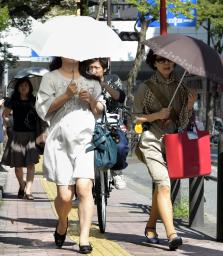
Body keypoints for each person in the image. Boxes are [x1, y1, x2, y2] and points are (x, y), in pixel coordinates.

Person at [35, 57, 104, 254]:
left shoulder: (91, 81)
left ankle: (84, 238)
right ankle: (62, 221)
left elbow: (100, 110)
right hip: (59, 142)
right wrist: (66, 95)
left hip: (85, 142)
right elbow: (43, 110)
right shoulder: (50, 78)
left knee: (84, 189)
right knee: (65, 196)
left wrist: (91, 100)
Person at [134, 50, 197, 250]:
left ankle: (151, 226)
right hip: (150, 141)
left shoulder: (182, 88)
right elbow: (135, 119)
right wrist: (157, 115)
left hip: (172, 144)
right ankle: (172, 234)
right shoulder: (145, 87)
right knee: (163, 184)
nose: (166, 63)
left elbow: (184, 123)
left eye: (170, 59)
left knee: (162, 186)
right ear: (154, 63)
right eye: (161, 60)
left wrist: (189, 105)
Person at [86, 58, 128, 189]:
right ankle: (79, 189)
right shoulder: (84, 81)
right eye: (90, 68)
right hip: (89, 123)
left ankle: (117, 171)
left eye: (96, 68)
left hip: (112, 123)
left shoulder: (113, 79)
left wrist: (104, 85)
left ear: (104, 69)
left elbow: (121, 97)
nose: (93, 70)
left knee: (120, 146)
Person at [1, 78, 40, 200]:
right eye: (21, 85)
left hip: (31, 136)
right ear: (18, 88)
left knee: (30, 164)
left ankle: (28, 190)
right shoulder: (13, 101)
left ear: (30, 88)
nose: (23, 87)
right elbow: (5, 115)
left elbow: (41, 115)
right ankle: (22, 185)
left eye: (26, 85)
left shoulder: (35, 101)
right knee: (18, 167)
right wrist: (9, 125)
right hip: (17, 135)